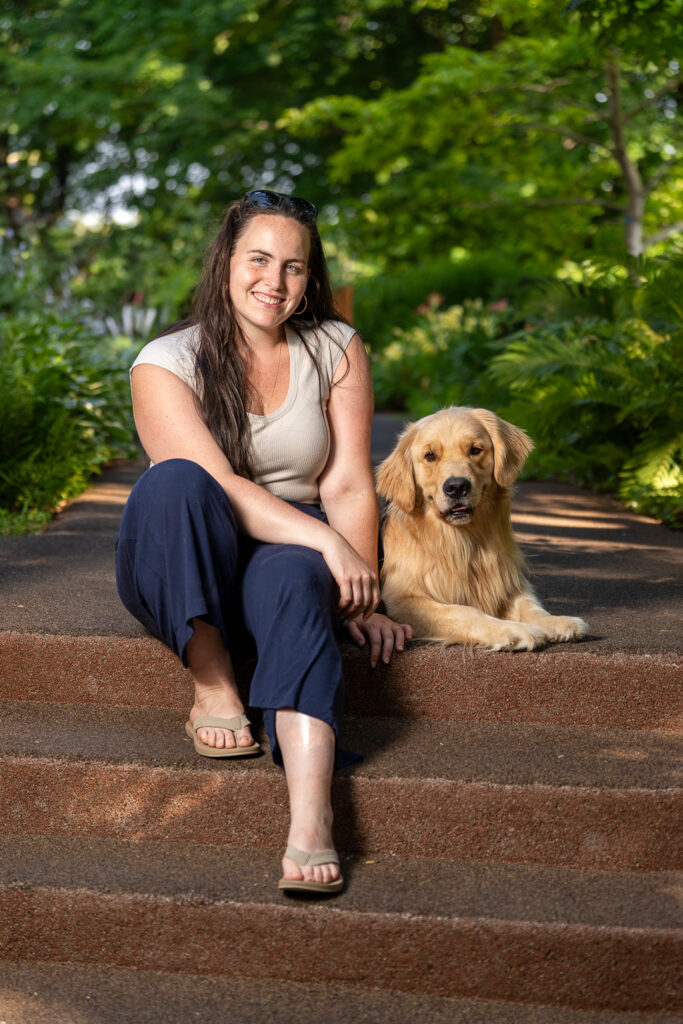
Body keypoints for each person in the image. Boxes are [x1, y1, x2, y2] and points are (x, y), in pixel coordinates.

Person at [115, 189, 412, 895]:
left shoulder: (335, 346)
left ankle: (311, 822)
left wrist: (360, 588)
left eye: (294, 267)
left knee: (291, 582)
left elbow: (344, 482)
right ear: (225, 263)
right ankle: (213, 683)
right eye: (258, 259)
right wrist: (327, 543)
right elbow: (214, 482)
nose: (273, 282)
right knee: (177, 480)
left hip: (287, 543)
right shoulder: (164, 360)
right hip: (186, 544)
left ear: (311, 279)